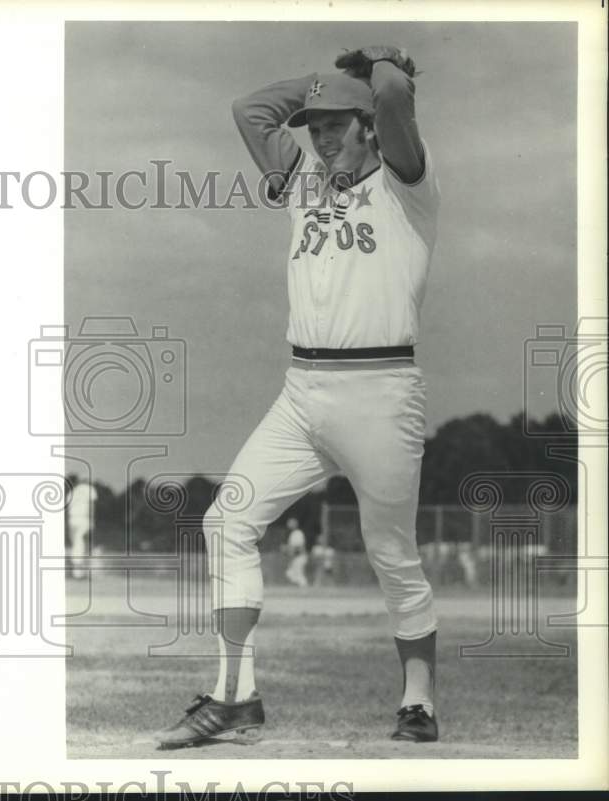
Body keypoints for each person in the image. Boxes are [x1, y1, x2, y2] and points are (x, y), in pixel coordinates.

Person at [154, 46, 441, 746]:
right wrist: (322, 86)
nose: (320, 136)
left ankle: (419, 702)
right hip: (302, 389)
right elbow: (248, 110)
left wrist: (374, 71)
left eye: (336, 123)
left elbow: (399, 92)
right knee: (227, 522)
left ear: (368, 125)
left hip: (381, 389)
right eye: (313, 123)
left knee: (390, 550)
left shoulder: (407, 182)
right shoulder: (304, 179)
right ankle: (236, 696)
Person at [283, 518, 309, 587]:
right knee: (290, 573)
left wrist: (291, 556)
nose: (288, 525)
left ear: (295, 524)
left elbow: (299, 548)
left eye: (290, 523)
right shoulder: (293, 533)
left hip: (299, 557)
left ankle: (305, 588)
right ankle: (301, 588)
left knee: (299, 574)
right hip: (296, 557)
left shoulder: (297, 533)